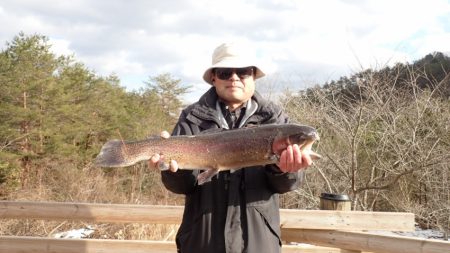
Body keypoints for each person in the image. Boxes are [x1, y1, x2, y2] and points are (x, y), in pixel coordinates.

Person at [150, 42, 314, 253]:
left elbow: (286, 186)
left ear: (253, 76)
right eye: (226, 72)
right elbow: (181, 187)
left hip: (258, 245)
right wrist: (174, 172)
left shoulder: (276, 119)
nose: (234, 78)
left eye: (243, 71)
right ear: (214, 77)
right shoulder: (191, 118)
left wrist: (283, 170)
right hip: (200, 243)